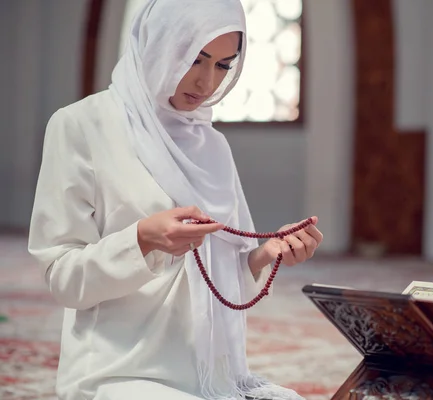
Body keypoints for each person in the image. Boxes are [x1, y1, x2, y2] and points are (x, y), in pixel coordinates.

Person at [27, 0, 323, 399]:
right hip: (119, 371)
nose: (206, 83)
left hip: (208, 375)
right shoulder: (82, 125)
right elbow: (62, 278)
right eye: (194, 58)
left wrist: (265, 255)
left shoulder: (212, 146)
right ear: (158, 43)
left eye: (222, 65)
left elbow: (218, 283)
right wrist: (142, 240)